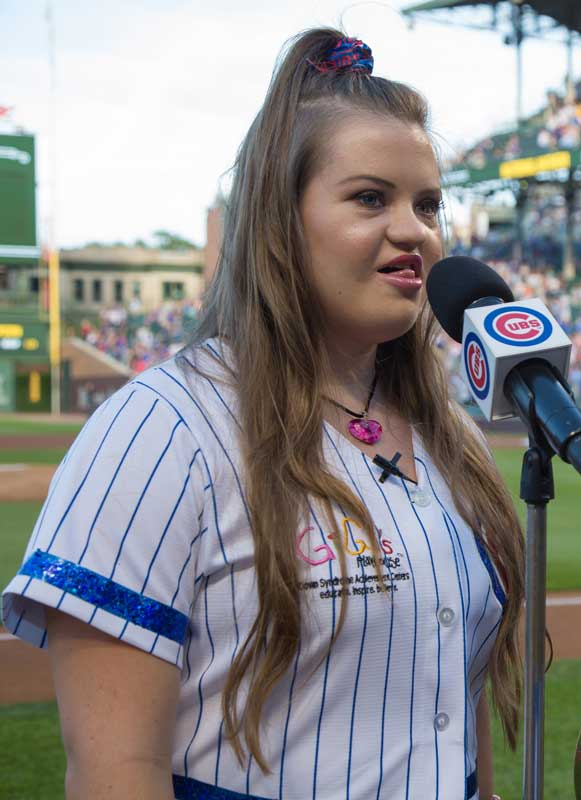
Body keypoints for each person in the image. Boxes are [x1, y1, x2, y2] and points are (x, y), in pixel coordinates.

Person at [1, 29, 521, 800]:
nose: (415, 230)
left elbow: (450, 718)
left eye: (428, 203)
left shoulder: (455, 437)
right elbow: (115, 774)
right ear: (280, 220)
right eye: (371, 198)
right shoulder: (162, 428)